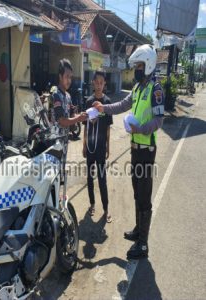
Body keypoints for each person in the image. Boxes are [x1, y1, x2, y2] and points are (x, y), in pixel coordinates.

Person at [93, 44, 164, 259]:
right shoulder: (138, 88)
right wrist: (104, 108)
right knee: (137, 192)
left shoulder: (155, 89)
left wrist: (140, 129)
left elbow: (159, 120)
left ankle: (143, 244)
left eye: (140, 65)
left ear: (149, 65)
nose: (137, 69)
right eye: (136, 66)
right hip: (135, 149)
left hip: (146, 150)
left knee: (144, 196)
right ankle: (138, 230)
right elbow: (123, 105)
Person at [83, 71, 113, 223]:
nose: (99, 85)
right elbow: (85, 126)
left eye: (102, 82)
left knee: (102, 179)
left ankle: (106, 209)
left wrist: (108, 147)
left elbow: (108, 128)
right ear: (93, 82)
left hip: (101, 148)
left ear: (104, 84)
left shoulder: (107, 102)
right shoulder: (88, 101)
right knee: (90, 177)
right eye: (97, 82)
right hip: (90, 147)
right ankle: (92, 204)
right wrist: (84, 145)